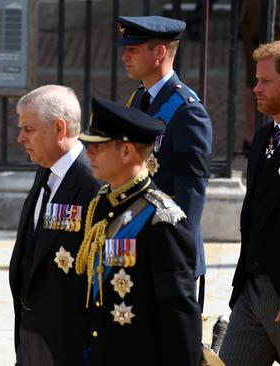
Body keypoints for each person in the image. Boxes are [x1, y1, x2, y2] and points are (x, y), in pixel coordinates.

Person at [76, 97, 202, 365]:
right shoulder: (101, 203)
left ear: (126, 152)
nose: (89, 153)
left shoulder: (163, 219)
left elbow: (178, 316)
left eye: (99, 147)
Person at [220, 39, 280, 366]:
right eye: (256, 80)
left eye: (265, 81)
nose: (256, 88)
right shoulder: (265, 138)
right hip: (251, 292)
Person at [9, 85, 102, 366]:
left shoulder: (91, 184)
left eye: (29, 129)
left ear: (59, 128)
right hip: (30, 330)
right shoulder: (47, 170)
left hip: (67, 341)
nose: (20, 138)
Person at [119, 15, 213, 293]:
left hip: (167, 253)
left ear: (160, 52)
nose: (125, 56)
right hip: (136, 243)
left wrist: (174, 255)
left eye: (133, 49)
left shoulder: (187, 111)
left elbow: (190, 194)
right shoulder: (138, 99)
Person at [240, 0, 280, 154]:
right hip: (264, 14)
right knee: (268, 78)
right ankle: (260, 139)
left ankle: (254, 138)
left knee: (258, 79)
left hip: (258, 13)